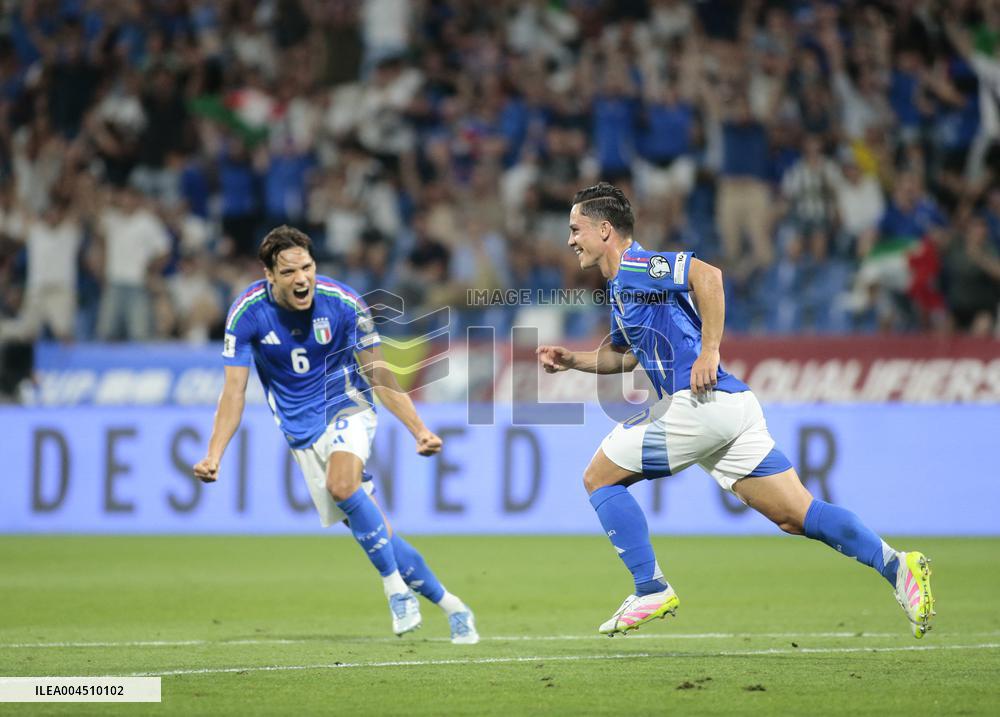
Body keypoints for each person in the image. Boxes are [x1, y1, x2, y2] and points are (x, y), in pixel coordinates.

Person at [536, 183, 935, 638]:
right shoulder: (620, 288)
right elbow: (625, 356)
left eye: (576, 228)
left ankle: (650, 588)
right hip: (728, 408)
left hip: (700, 401)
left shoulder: (638, 264)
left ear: (605, 229)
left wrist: (710, 351)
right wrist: (575, 361)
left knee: (597, 477)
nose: (570, 239)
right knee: (796, 515)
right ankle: (898, 567)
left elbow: (709, 277)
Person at [193, 225, 478, 644]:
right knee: (377, 529)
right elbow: (233, 391)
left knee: (342, 485)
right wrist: (214, 453)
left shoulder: (343, 303)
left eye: (307, 267)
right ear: (269, 275)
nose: (302, 278)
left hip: (348, 406)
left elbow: (377, 372)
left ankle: (396, 592)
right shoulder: (246, 312)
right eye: (289, 272)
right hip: (300, 431)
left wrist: (418, 429)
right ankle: (453, 606)